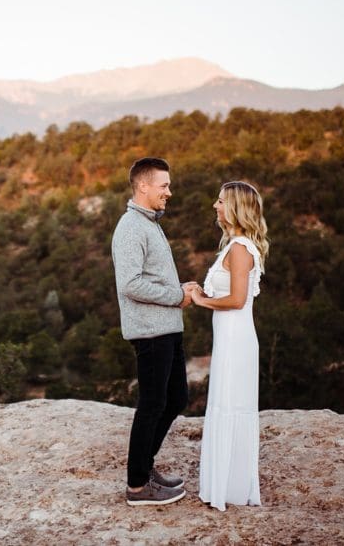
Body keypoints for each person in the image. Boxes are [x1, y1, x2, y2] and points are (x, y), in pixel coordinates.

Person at [112, 157, 199, 506]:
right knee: (152, 404)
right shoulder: (131, 227)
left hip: (165, 328)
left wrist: (179, 287)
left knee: (175, 399)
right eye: (164, 185)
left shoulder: (149, 223)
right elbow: (131, 284)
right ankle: (137, 486)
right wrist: (177, 296)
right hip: (149, 332)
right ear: (143, 186)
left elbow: (151, 278)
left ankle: (144, 467)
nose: (169, 192)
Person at [189, 181, 270, 511]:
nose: (215, 206)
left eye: (221, 201)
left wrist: (199, 300)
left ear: (235, 207)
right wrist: (205, 295)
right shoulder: (236, 244)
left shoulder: (239, 248)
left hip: (236, 340)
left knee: (230, 407)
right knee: (227, 405)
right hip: (230, 338)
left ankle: (228, 489)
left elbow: (236, 300)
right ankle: (225, 485)